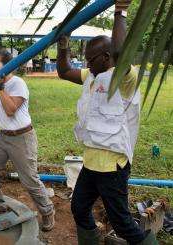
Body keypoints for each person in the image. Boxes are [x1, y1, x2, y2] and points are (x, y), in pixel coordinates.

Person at [56, 1, 157, 244]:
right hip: (91, 163)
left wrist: (120, 11)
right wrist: (63, 46)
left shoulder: (124, 78)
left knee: (122, 224)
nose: (87, 64)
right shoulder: (92, 75)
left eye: (91, 59)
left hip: (112, 167)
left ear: (107, 56)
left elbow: (122, 54)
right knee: (79, 208)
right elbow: (63, 71)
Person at [0, 49, 55, 231]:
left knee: (29, 180)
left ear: (7, 66)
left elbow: (10, 109)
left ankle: (47, 211)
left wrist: (1, 88)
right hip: (2, 137)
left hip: (21, 138)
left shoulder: (17, 83)